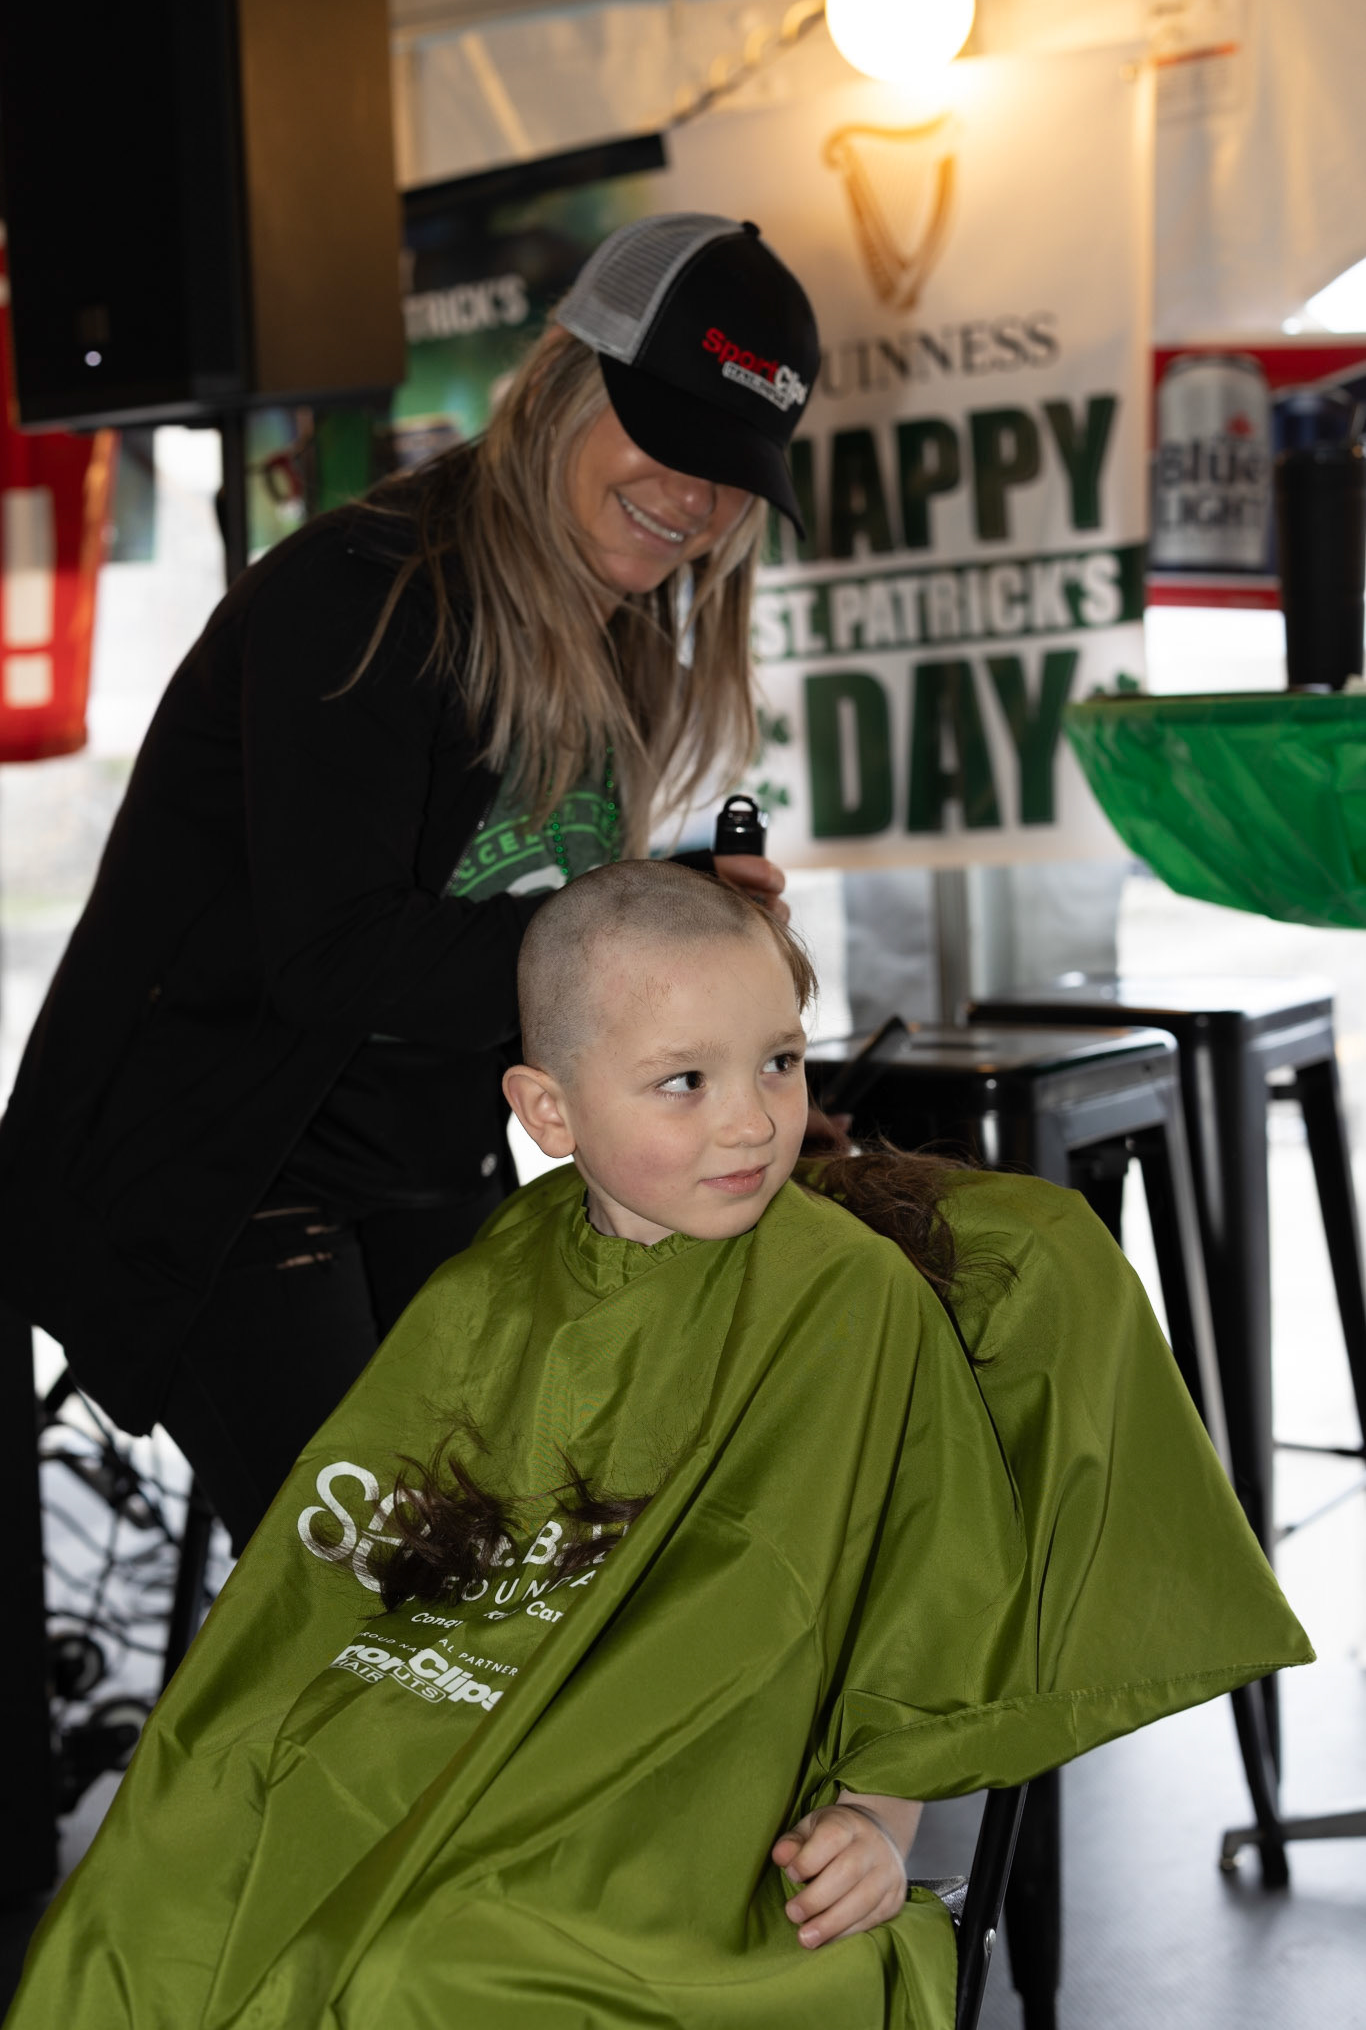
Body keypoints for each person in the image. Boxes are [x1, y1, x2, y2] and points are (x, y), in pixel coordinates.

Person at [5, 863, 1311, 2030]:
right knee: (152, 1896)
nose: (750, 1121)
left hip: (675, 1800)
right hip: (467, 1723)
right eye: (685, 1082)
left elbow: (916, 1590)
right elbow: (356, 1572)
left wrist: (878, 1819)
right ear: (549, 1111)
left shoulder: (844, 1299)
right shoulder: (492, 1283)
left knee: (429, 1970)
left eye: (780, 1062)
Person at [0, 214, 819, 1553]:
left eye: (731, 473)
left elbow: (506, 900)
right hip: (219, 1168)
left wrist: (683, 910)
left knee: (523, 1561)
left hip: (412, 1156)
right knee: (386, 1603)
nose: (694, 499)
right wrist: (636, 953)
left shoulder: (617, 628)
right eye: (665, 436)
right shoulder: (364, 593)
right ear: (561, 382)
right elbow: (336, 952)